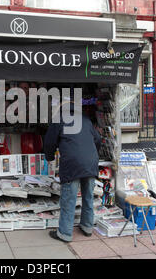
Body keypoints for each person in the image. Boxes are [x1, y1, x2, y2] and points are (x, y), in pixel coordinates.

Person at [43, 101, 102, 242]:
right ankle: (87, 227)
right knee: (88, 196)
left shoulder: (58, 120)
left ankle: (64, 233)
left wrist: (49, 157)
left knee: (69, 198)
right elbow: (98, 139)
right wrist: (93, 155)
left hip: (72, 163)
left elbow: (49, 142)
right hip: (91, 162)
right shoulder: (85, 119)